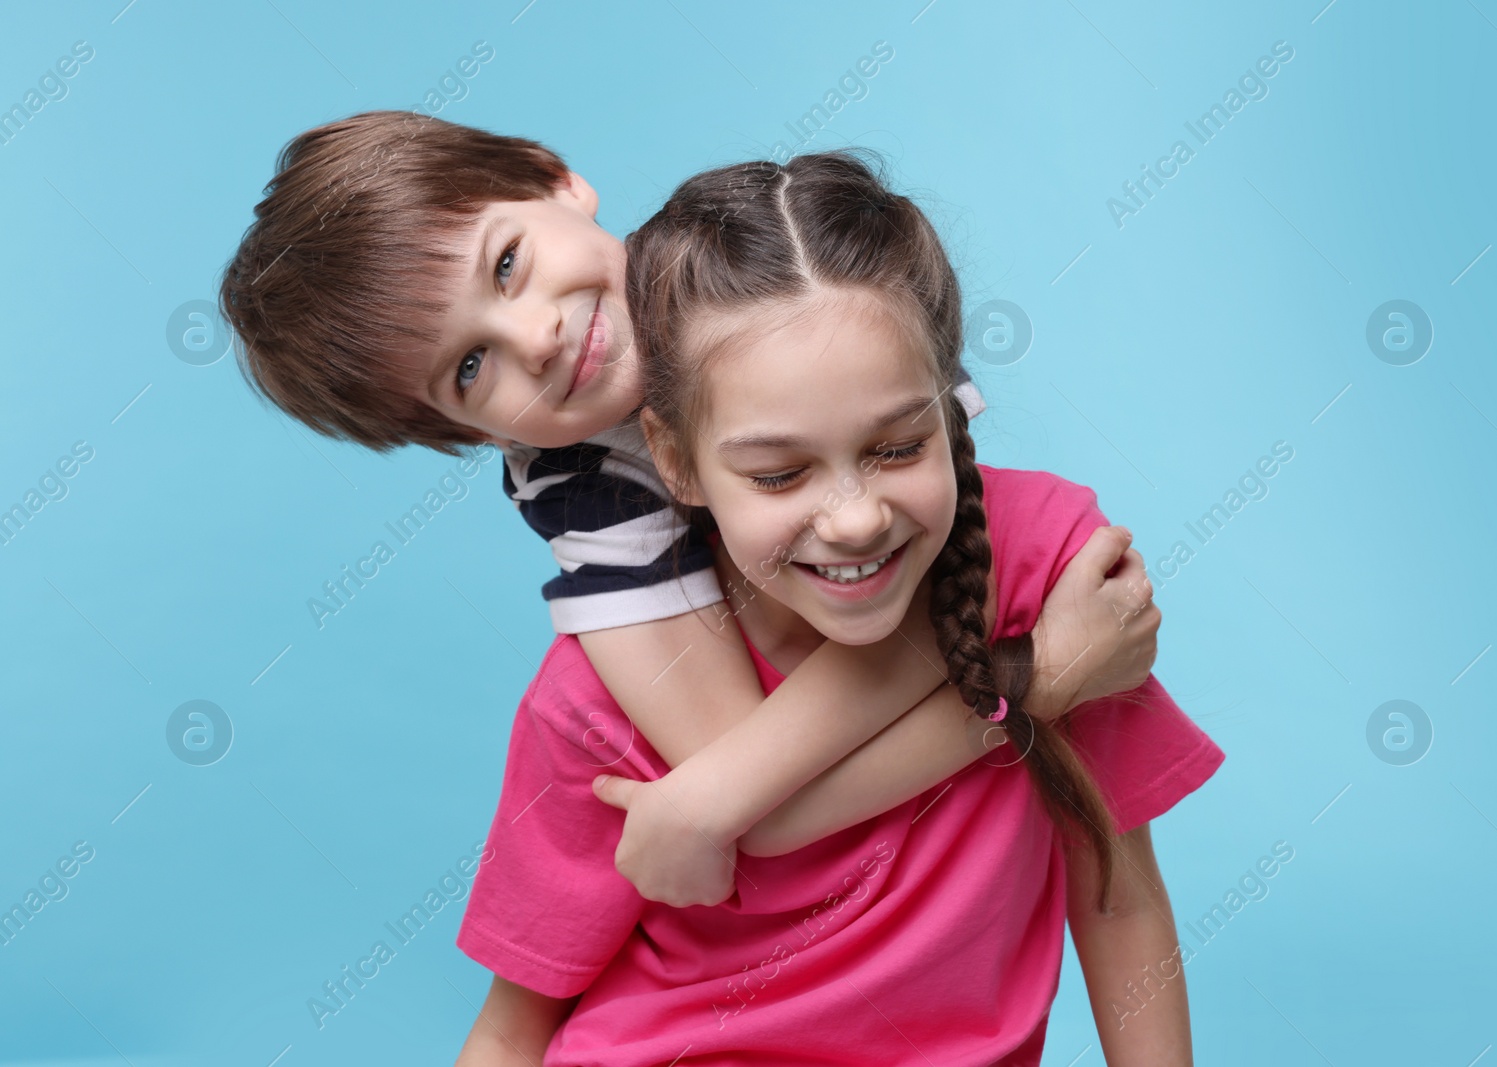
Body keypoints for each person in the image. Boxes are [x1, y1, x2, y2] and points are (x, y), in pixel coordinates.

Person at [218, 112, 1161, 905]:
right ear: (460, 432)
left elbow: (934, 563)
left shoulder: (789, 273)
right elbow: (760, 795)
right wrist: (1041, 682)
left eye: (505, 266)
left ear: (556, 181)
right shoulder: (577, 488)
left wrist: (715, 800)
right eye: (470, 368)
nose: (537, 337)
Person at [454, 151, 1224, 1065]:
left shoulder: (1056, 575)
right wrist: (1033, 681)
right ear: (675, 460)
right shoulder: (600, 690)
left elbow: (1120, 896)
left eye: (899, 447)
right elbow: (511, 1031)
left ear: (950, 402)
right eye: (779, 473)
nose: (855, 519)